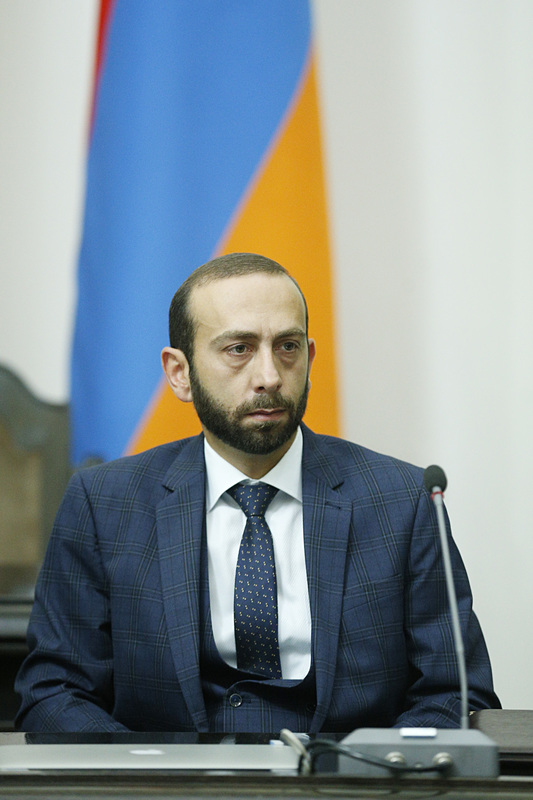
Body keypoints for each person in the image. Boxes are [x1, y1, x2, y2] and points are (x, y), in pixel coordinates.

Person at [15, 252, 499, 733]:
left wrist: (374, 767)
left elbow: (455, 693)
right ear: (180, 373)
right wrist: (147, 772)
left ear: (309, 359)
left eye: (287, 347)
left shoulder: (403, 501)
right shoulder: (104, 503)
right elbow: (55, 691)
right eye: (239, 349)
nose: (269, 376)